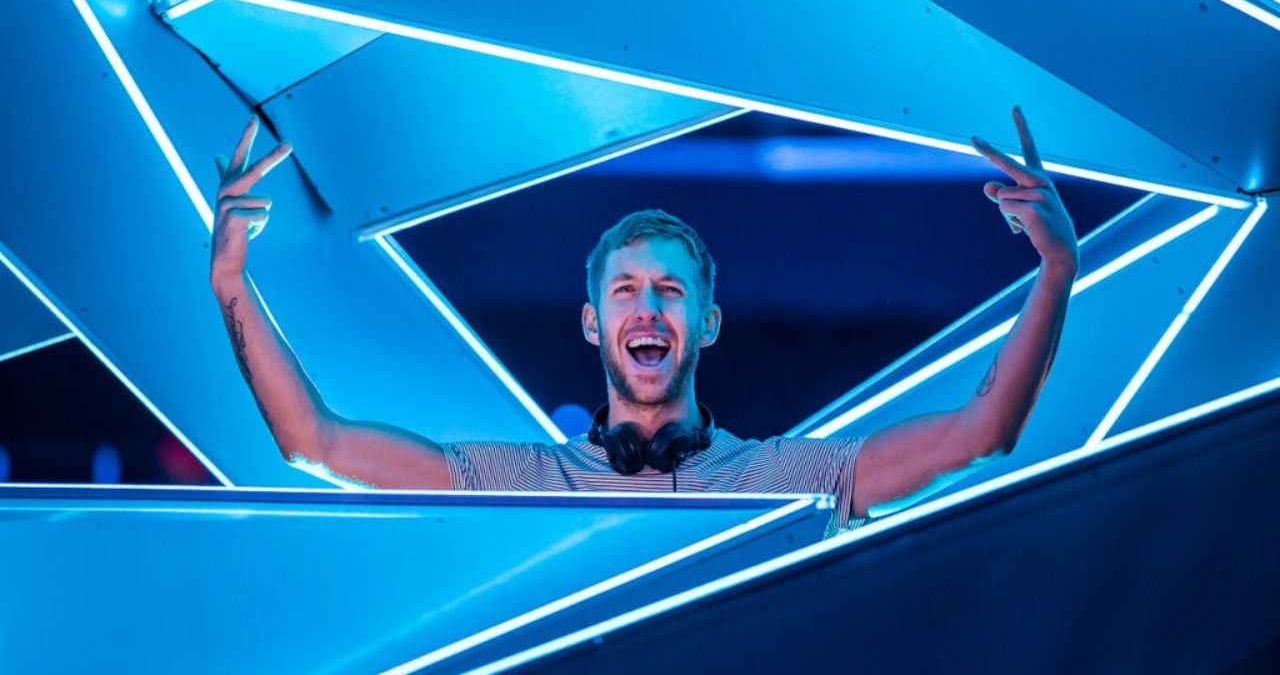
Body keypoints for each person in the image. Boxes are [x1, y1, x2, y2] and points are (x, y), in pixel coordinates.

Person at [209, 107, 1078, 533]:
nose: (649, 305)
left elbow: (982, 431)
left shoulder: (791, 477)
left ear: (708, 323)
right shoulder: (520, 483)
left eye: (670, 290)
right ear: (594, 325)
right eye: (625, 290)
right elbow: (313, 442)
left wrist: (1056, 269)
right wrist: (232, 285)